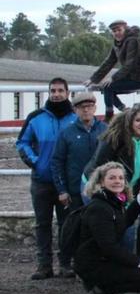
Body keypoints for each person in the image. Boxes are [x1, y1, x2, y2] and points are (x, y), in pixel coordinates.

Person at [17, 78, 77, 279]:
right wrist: (36, 162)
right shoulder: (35, 117)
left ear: (68, 93)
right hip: (41, 180)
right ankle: (44, 265)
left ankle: (65, 264)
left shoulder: (75, 118)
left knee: (65, 223)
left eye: (61, 90)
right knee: (42, 224)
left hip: (65, 183)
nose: (56, 94)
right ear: (48, 92)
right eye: (53, 90)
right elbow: (22, 143)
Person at [75, 162, 140, 294]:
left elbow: (123, 222)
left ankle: (101, 288)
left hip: (102, 258)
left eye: (121, 178)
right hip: (91, 263)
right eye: (112, 178)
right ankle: (98, 289)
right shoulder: (99, 207)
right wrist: (139, 261)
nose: (117, 181)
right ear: (101, 182)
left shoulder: (112, 201)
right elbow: (108, 246)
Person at [51, 91, 107, 277]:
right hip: (75, 189)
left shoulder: (105, 130)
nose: (86, 110)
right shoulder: (66, 133)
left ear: (95, 108)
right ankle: (66, 262)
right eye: (82, 107)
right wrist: (62, 190)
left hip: (100, 191)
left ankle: (93, 262)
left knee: (96, 228)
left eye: (89, 106)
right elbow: (57, 162)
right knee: (71, 227)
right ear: (75, 110)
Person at [83, 104, 140, 198]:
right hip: (95, 185)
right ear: (129, 122)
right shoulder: (114, 140)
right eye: (138, 120)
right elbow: (99, 167)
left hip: (124, 190)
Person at [85, 20, 140, 120]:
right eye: (114, 31)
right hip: (129, 77)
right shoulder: (117, 44)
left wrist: (113, 78)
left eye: (119, 30)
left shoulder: (133, 41)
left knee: (108, 87)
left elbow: (130, 64)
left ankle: (109, 115)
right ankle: (124, 110)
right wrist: (93, 79)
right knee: (106, 88)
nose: (116, 33)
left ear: (125, 29)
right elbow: (109, 62)